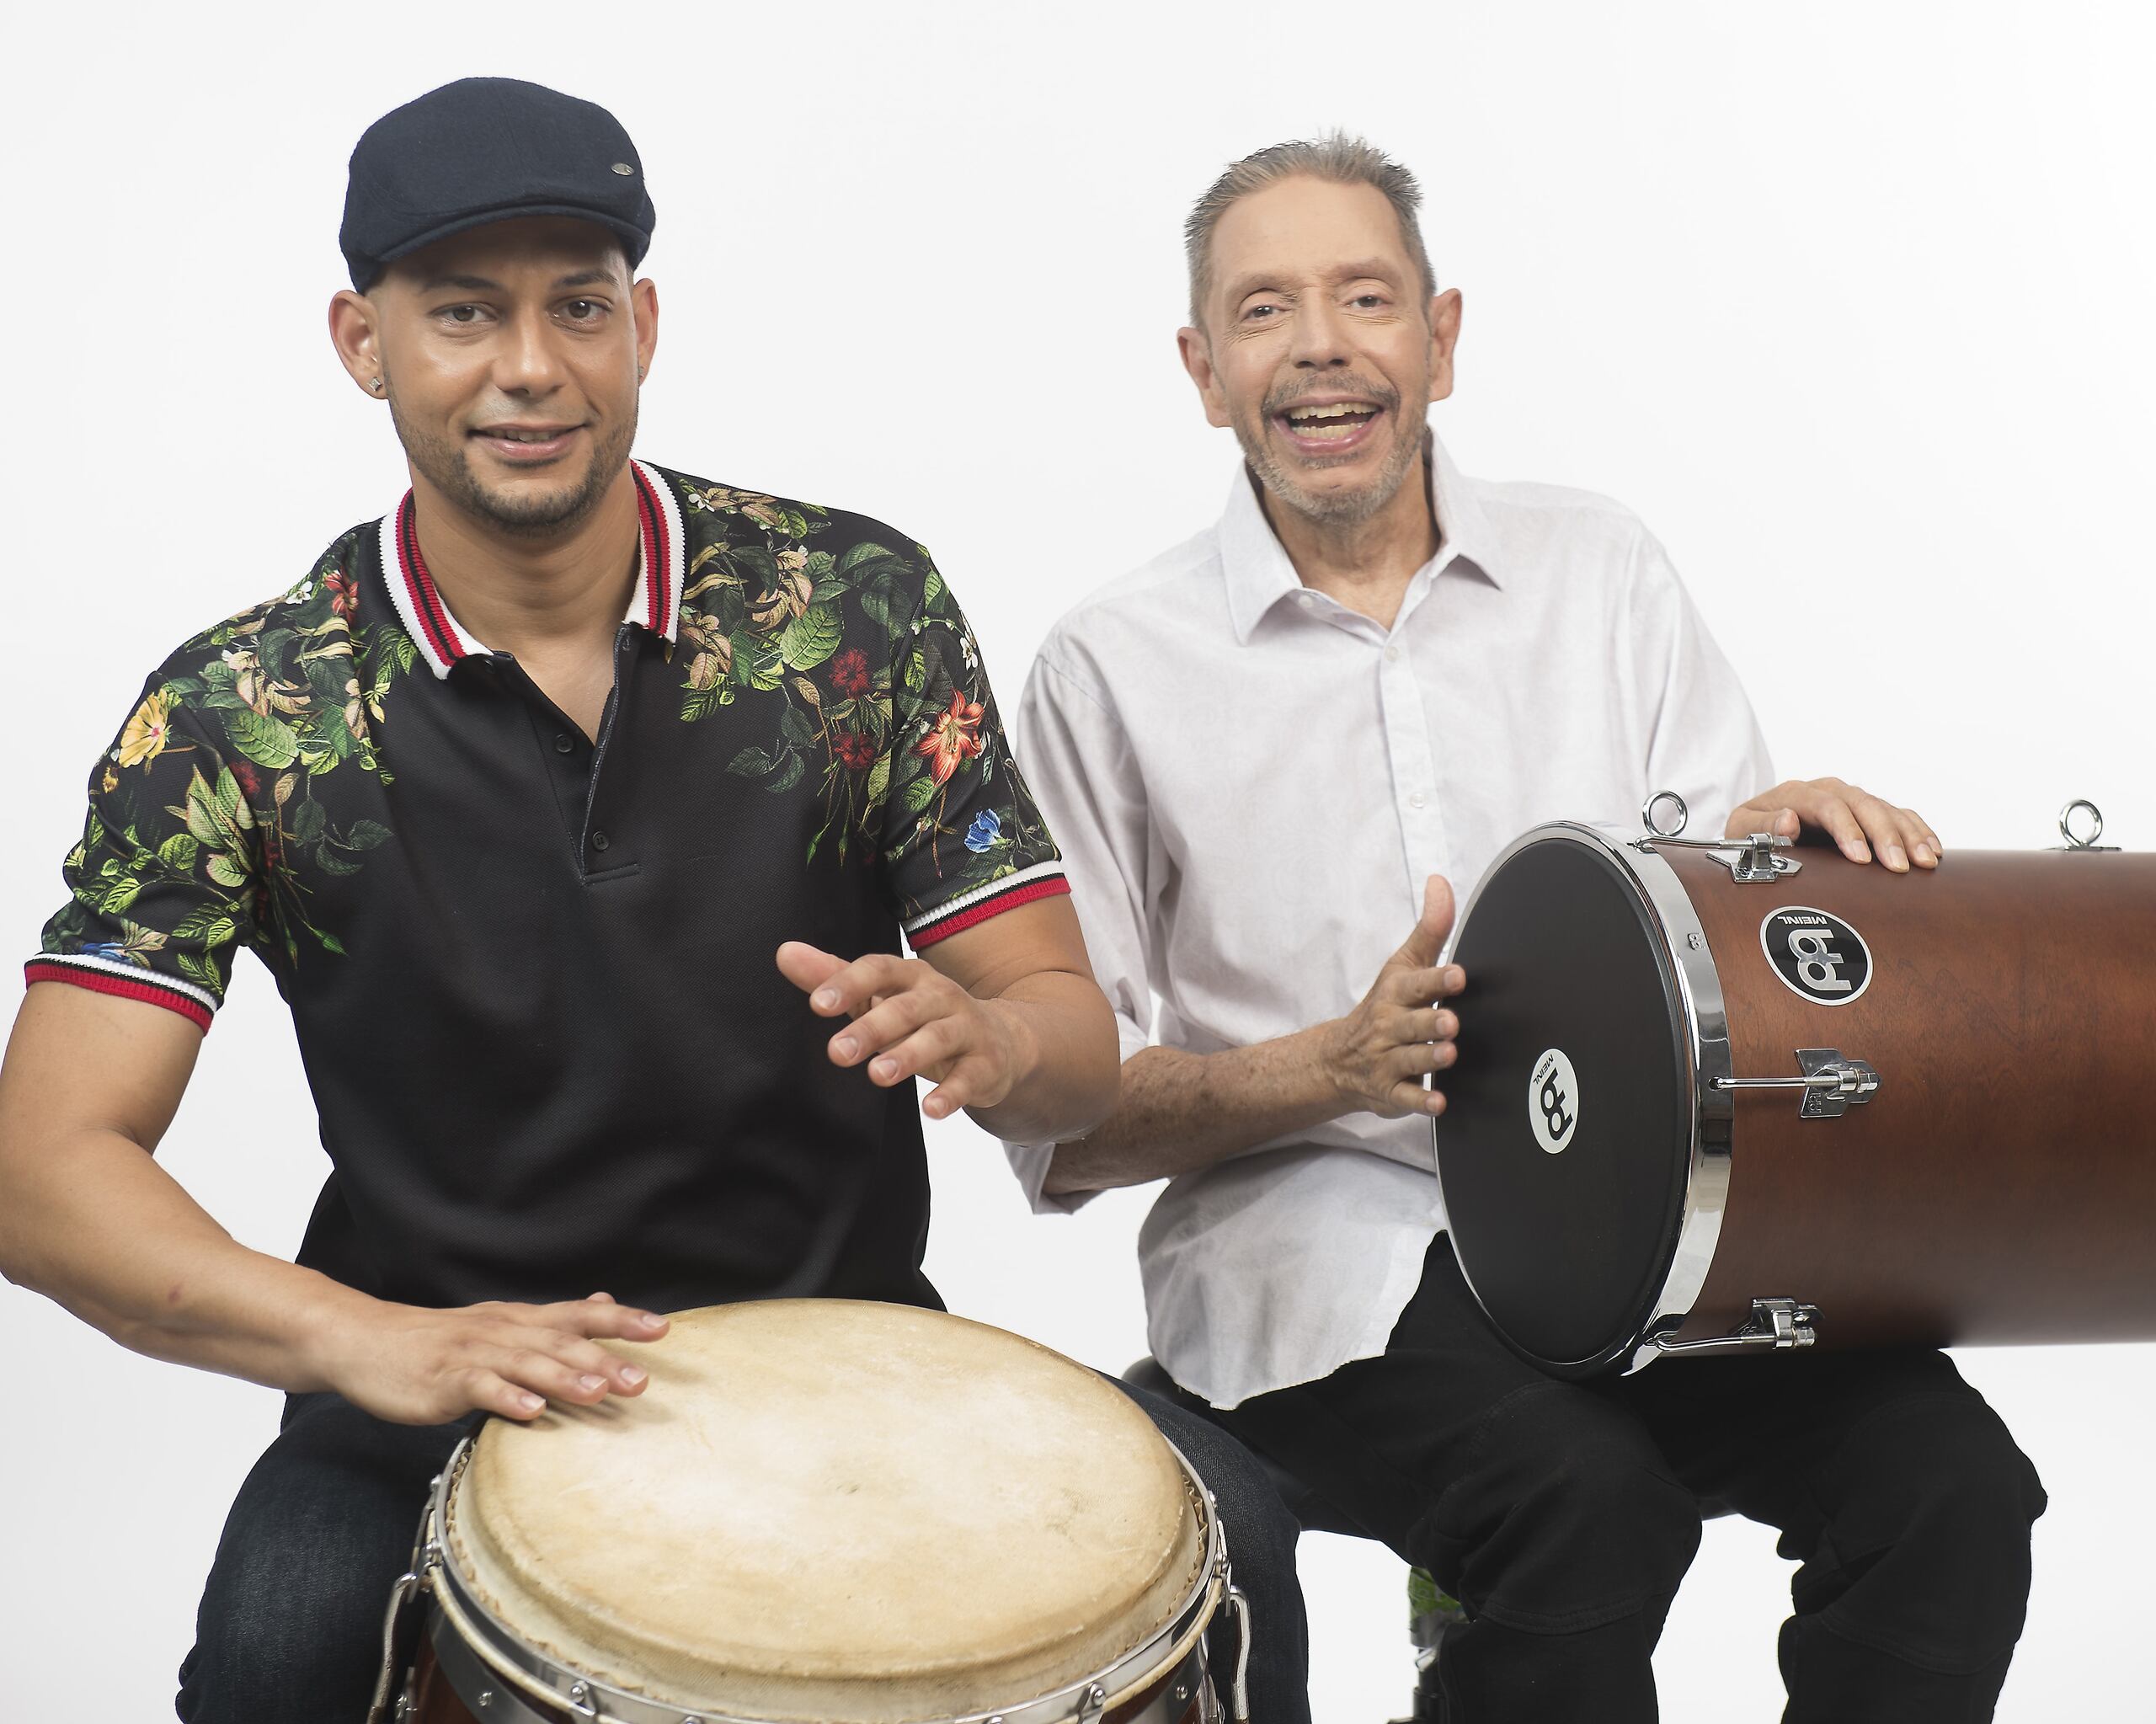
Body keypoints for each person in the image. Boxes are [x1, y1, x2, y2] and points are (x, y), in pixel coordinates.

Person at [0, 79, 1307, 1724]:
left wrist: (991, 1033)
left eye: (577, 306)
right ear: (362, 337)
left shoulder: (854, 609)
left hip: (848, 1355)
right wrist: (362, 1342)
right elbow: (43, 1171)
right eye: (463, 312)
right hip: (431, 1381)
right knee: (278, 1652)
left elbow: (1071, 1045)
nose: (529, 367)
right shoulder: (241, 714)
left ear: (644, 322)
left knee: (1238, 1535)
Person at [1006, 134, 2045, 1724]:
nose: (1323, 345)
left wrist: (1794, 868)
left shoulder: (1602, 568)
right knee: (1585, 1511)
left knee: (1952, 1488)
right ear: (1204, 371)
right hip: (1317, 1264)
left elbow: (1728, 949)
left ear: (1444, 338)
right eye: (1267, 310)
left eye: (1367, 296)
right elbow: (1064, 1135)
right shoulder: (1110, 664)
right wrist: (1329, 1068)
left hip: (1650, 1239)